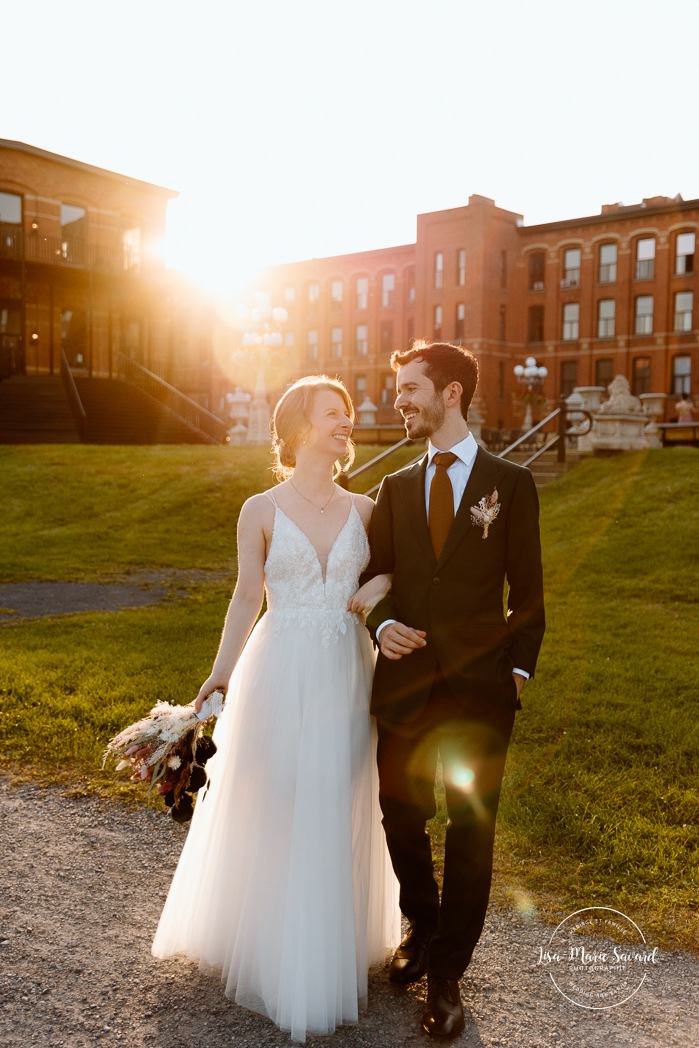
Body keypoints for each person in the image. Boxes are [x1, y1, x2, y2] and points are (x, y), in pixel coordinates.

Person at [152, 375, 400, 1043]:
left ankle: (328, 941)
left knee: (338, 795)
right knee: (281, 794)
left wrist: (374, 584)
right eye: (333, 413)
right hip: (279, 666)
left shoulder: (369, 508)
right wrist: (217, 675)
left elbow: (396, 572)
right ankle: (273, 941)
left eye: (348, 414)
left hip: (347, 670)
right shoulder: (259, 509)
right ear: (297, 428)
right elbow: (244, 598)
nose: (346, 421)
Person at [362, 341, 545, 1039]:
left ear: (451, 395)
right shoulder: (396, 487)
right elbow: (376, 575)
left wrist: (517, 672)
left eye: (408, 388)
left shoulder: (511, 483)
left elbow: (527, 595)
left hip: (480, 693)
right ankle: (423, 923)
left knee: (471, 830)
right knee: (400, 816)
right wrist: (381, 627)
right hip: (404, 687)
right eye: (396, 389)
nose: (397, 400)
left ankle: (445, 974)